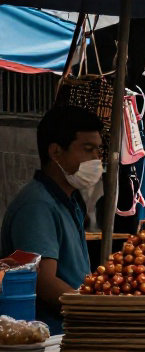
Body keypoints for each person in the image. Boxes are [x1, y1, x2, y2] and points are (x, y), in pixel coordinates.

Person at [1, 106, 101, 332]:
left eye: (98, 150)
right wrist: (94, 313)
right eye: (88, 149)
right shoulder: (38, 206)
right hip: (48, 338)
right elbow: (43, 282)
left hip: (71, 333)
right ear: (56, 152)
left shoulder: (69, 201)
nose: (96, 158)